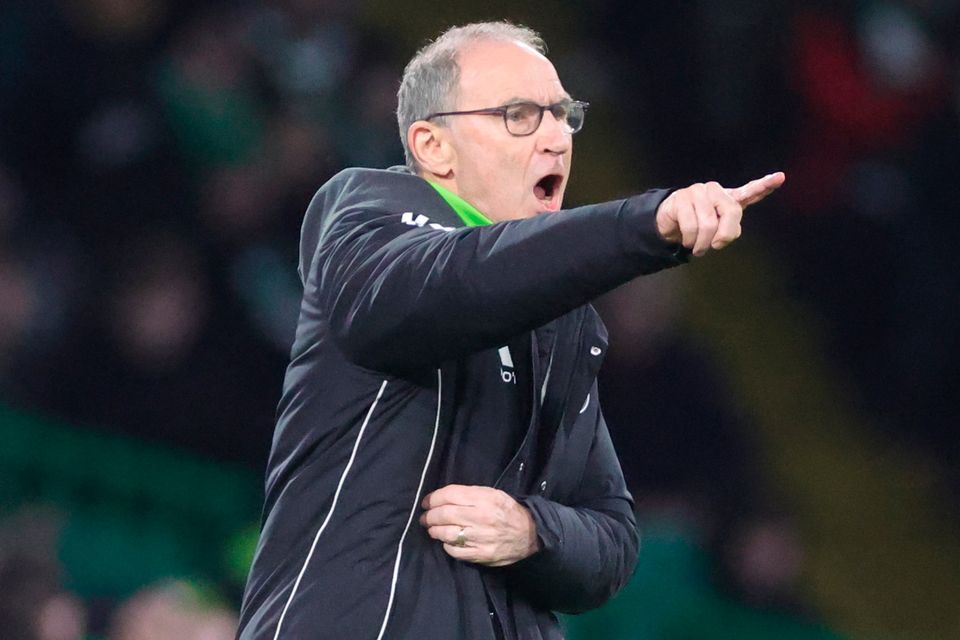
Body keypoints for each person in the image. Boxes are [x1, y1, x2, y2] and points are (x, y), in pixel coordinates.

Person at [237, 21, 784, 640]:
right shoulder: (368, 214)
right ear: (433, 145)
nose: (556, 138)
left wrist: (531, 532)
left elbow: (611, 538)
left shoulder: (566, 325)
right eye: (520, 115)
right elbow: (458, 285)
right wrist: (644, 224)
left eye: (562, 115)